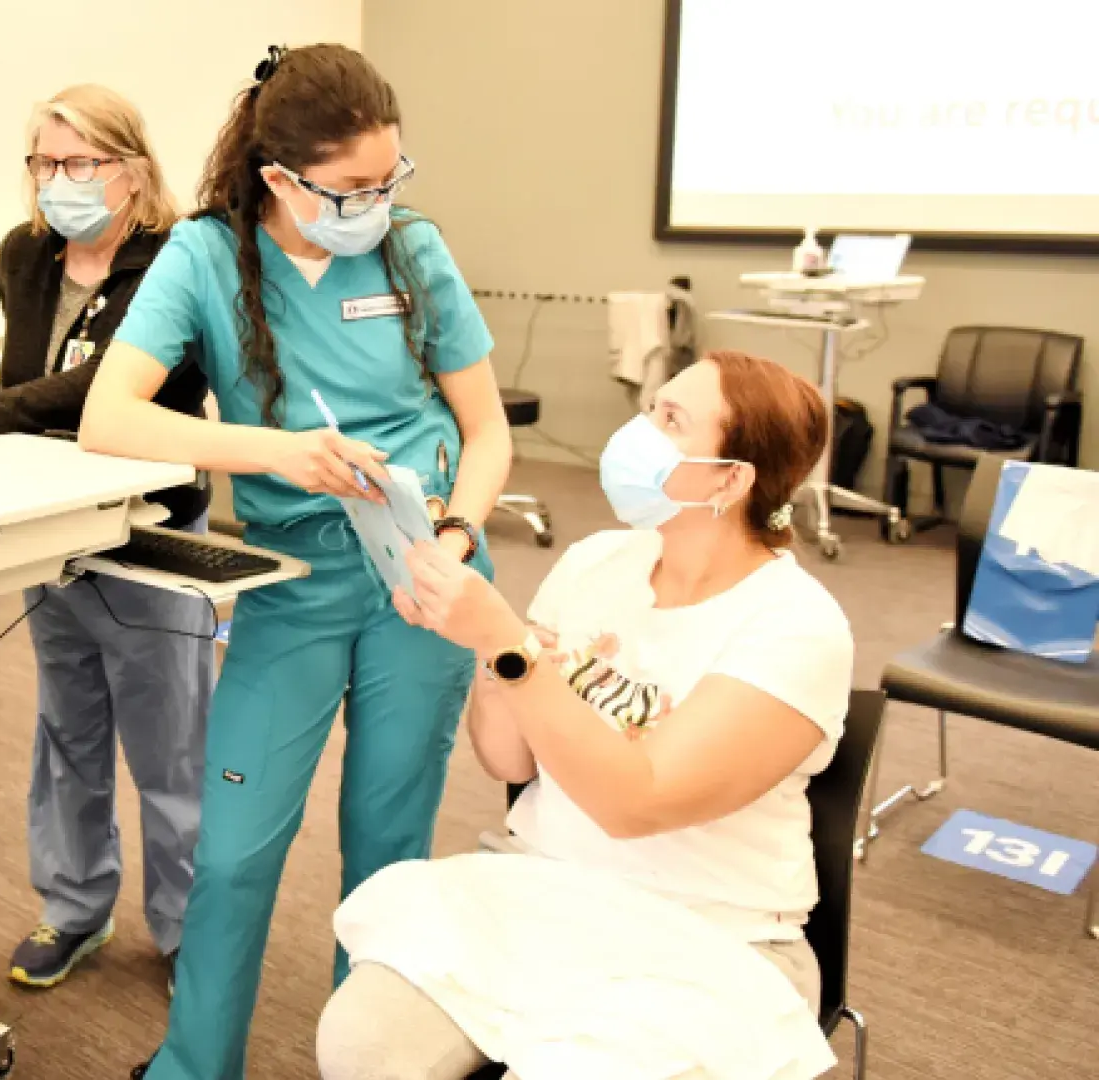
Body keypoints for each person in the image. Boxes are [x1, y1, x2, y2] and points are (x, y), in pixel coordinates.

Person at [78, 44, 513, 1080]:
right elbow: (109, 417)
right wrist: (281, 455)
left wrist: (453, 538)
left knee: (386, 851)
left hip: (425, 574)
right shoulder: (203, 257)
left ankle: (367, 1058)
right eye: (356, 187)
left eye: (390, 178)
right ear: (281, 178)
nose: (380, 202)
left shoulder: (412, 250)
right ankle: (197, 1063)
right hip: (292, 580)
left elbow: (487, 432)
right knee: (233, 854)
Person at [317, 351, 853, 1080]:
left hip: (709, 934)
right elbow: (509, 762)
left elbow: (636, 803)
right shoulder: (600, 561)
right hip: (542, 887)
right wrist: (491, 656)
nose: (639, 431)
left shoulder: (795, 626)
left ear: (732, 478)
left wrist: (510, 647)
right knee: (363, 1047)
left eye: (671, 421)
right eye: (650, 408)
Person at [0, 85, 213, 993]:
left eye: (80, 164)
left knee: (170, 746)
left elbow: (96, 390)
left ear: (133, 171)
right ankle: (75, 907)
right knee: (66, 731)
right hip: (53, 530)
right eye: (44, 163)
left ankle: (190, 929)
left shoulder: (175, 260)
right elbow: (31, 376)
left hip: (147, 530)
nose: (58, 181)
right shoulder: (26, 253)